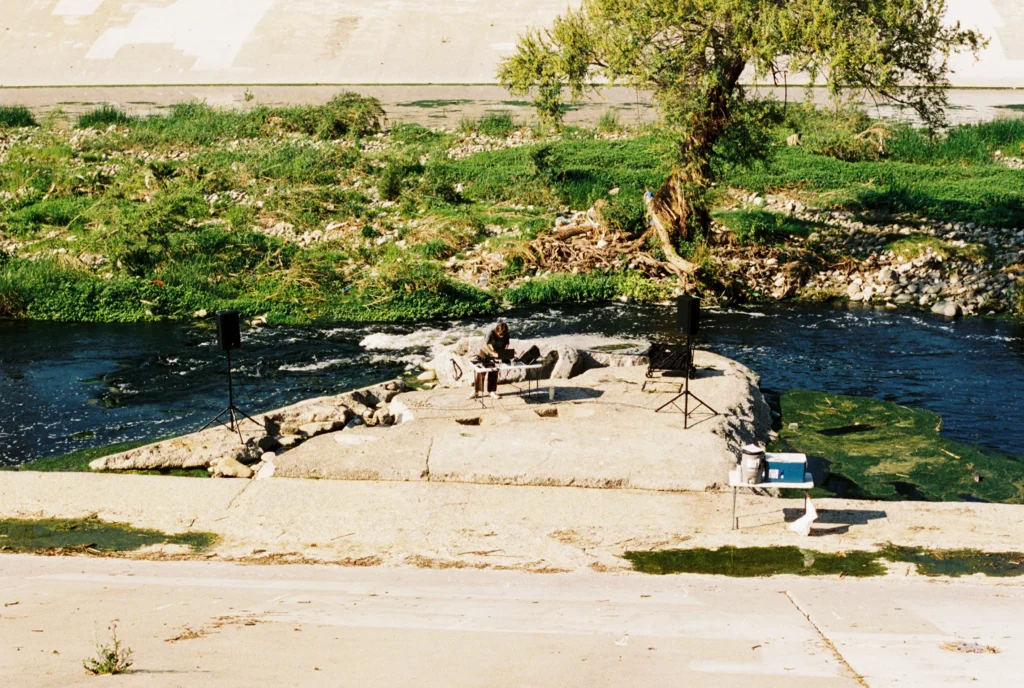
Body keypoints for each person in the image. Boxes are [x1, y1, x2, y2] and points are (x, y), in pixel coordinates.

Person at [470, 322, 511, 399]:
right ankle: (476, 391)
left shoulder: (506, 334)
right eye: (500, 334)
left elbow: (506, 344)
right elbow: (485, 345)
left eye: (503, 335)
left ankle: (491, 391)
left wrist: (504, 353)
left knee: (494, 371)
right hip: (485, 352)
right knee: (481, 371)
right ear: (496, 330)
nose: (502, 336)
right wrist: (492, 352)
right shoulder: (490, 333)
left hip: (497, 353)